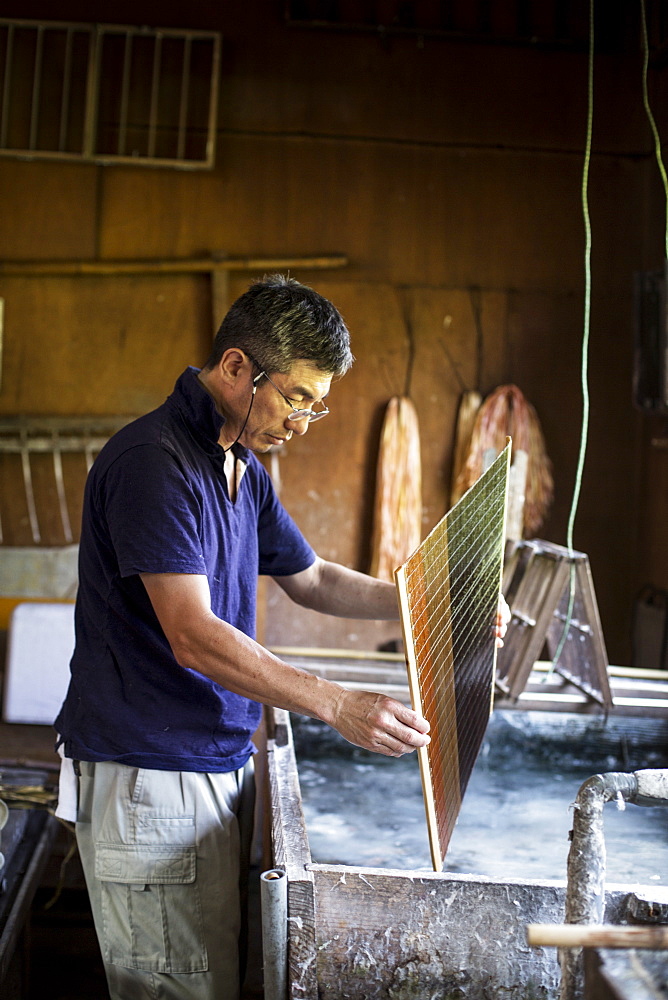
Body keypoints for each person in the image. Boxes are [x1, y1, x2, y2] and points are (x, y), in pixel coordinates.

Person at [54, 275, 505, 1000]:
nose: (302, 420)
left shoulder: (242, 468)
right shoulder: (156, 463)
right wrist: (334, 702)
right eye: (296, 397)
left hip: (212, 761)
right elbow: (193, 636)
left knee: (209, 976)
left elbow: (312, 578)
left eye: (315, 405)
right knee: (180, 987)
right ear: (237, 368)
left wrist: (428, 602)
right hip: (153, 775)